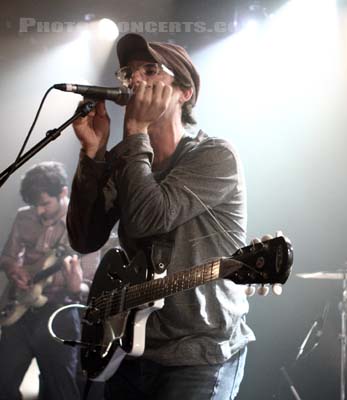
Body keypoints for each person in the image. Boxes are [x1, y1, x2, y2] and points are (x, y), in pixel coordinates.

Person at [67, 33, 253, 399]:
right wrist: (93, 155)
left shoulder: (215, 156)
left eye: (151, 70)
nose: (136, 80)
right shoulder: (128, 158)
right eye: (129, 73)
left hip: (198, 353)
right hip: (130, 344)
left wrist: (135, 133)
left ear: (185, 93)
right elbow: (84, 237)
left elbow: (148, 218)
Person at [0, 161, 97, 400]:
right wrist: (15, 271)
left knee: (61, 391)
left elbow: (89, 284)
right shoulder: (24, 217)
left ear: (63, 192)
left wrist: (77, 285)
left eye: (45, 204)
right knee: (2, 383)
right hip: (19, 311)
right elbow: (8, 258)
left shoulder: (84, 226)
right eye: (35, 205)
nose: (39, 211)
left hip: (60, 312)